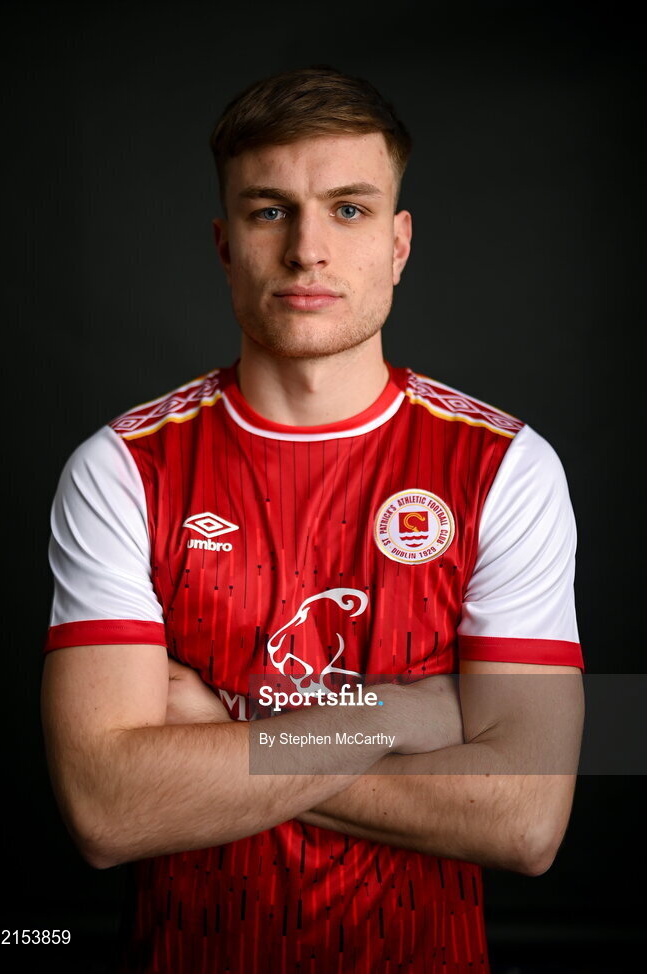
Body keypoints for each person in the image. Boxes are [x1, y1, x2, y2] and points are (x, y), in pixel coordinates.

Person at [41, 66, 585, 973]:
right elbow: (106, 812)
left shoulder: (507, 469)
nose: (306, 251)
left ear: (400, 243)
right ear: (224, 244)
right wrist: (390, 715)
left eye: (349, 209)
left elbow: (527, 820)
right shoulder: (121, 469)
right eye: (268, 211)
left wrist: (217, 744)